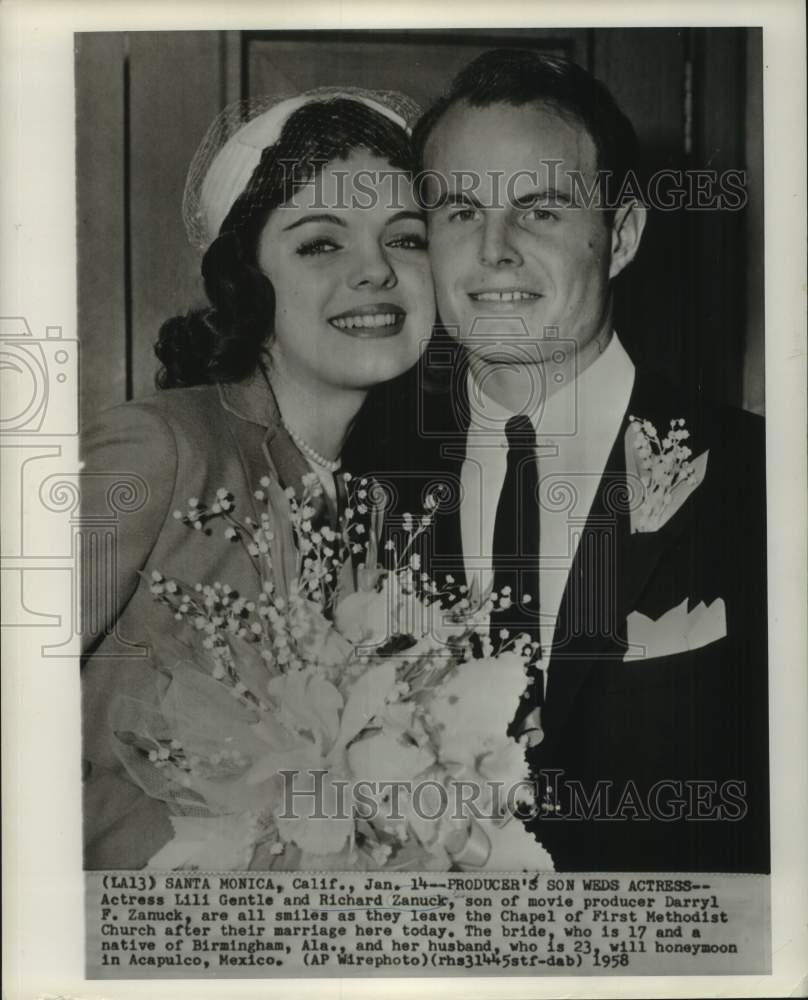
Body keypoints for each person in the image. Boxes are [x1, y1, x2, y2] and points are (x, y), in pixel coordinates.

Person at [347, 50, 769, 872]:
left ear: (622, 236)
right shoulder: (360, 480)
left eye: (539, 209)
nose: (494, 249)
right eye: (461, 211)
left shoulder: (761, 479)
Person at [80, 87, 435, 868]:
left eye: (407, 239)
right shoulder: (162, 447)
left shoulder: (398, 502)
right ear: (247, 278)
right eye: (320, 245)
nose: (375, 272)